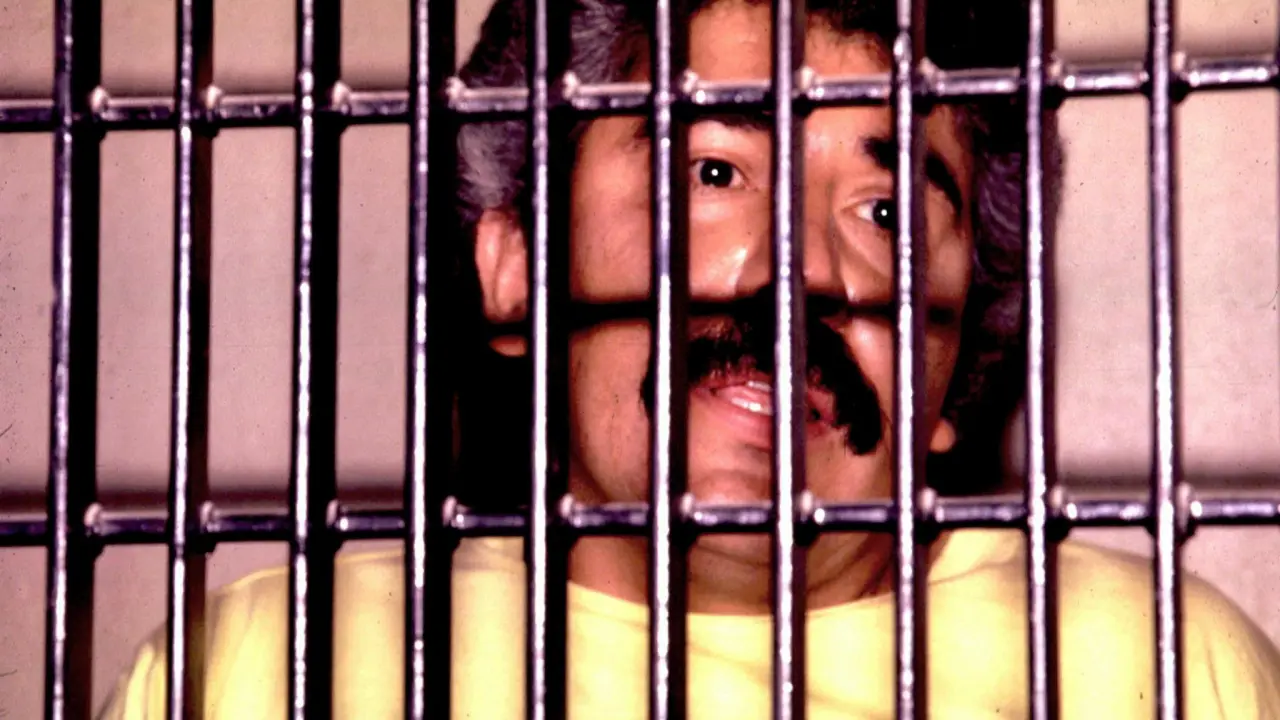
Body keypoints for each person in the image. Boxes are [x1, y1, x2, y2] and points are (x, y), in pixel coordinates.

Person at [99, 0, 1280, 717]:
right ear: (516, 267)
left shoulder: (1155, 668)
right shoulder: (276, 668)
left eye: (884, 213)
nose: (800, 269)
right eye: (713, 172)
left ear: (953, 364)